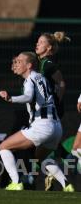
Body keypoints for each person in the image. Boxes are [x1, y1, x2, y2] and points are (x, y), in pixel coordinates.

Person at [0, 52, 75, 192]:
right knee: (39, 158)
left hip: (42, 126)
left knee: (4, 147)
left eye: (20, 61)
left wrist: (10, 98)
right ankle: (66, 185)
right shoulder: (41, 77)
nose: (17, 63)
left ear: (29, 65)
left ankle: (16, 183)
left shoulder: (30, 79)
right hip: (56, 127)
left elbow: (28, 96)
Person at [35, 32, 71, 190]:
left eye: (41, 42)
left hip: (52, 112)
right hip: (45, 112)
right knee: (47, 148)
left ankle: (23, 178)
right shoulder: (41, 63)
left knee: (38, 150)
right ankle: (61, 176)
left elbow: (61, 84)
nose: (37, 44)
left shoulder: (48, 64)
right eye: (37, 41)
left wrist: (56, 102)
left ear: (48, 48)